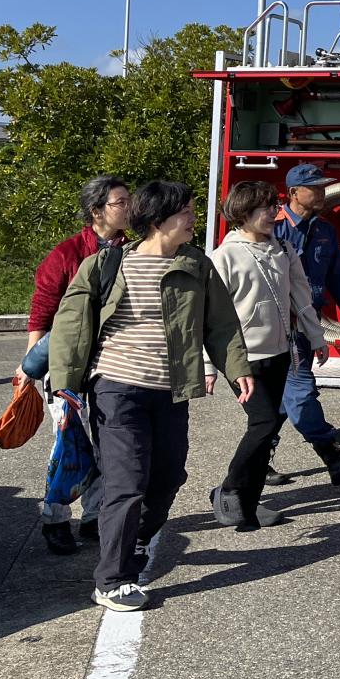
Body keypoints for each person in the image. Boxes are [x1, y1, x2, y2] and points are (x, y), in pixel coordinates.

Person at [49, 180, 252, 613]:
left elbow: (221, 324)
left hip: (170, 390)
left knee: (168, 476)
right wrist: (65, 383)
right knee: (126, 483)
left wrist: (237, 369)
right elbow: (71, 325)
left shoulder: (196, 265)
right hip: (117, 388)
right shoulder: (106, 265)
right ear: (158, 220)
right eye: (187, 212)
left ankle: (136, 538)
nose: (194, 219)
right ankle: (112, 580)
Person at [16, 175, 130, 555]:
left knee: (105, 443)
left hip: (111, 362)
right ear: (97, 211)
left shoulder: (132, 252)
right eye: (120, 202)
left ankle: (94, 517)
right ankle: (55, 518)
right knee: (68, 442)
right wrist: (31, 369)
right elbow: (42, 313)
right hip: (64, 364)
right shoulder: (65, 255)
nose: (129, 208)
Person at [209, 181, 329, 529]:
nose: (273, 214)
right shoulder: (225, 255)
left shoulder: (282, 249)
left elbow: (300, 296)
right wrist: (208, 365)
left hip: (279, 352)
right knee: (262, 423)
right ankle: (228, 489)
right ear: (244, 213)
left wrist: (315, 335)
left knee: (269, 423)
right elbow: (211, 315)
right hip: (241, 358)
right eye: (264, 209)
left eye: (273, 207)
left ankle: (250, 499)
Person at [269, 164, 340, 485]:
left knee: (280, 400)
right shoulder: (273, 228)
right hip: (279, 327)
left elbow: (338, 275)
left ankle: (256, 461)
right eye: (316, 188)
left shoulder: (325, 229)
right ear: (293, 193)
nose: (323, 192)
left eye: (325, 186)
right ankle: (333, 456)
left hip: (306, 325)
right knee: (300, 390)